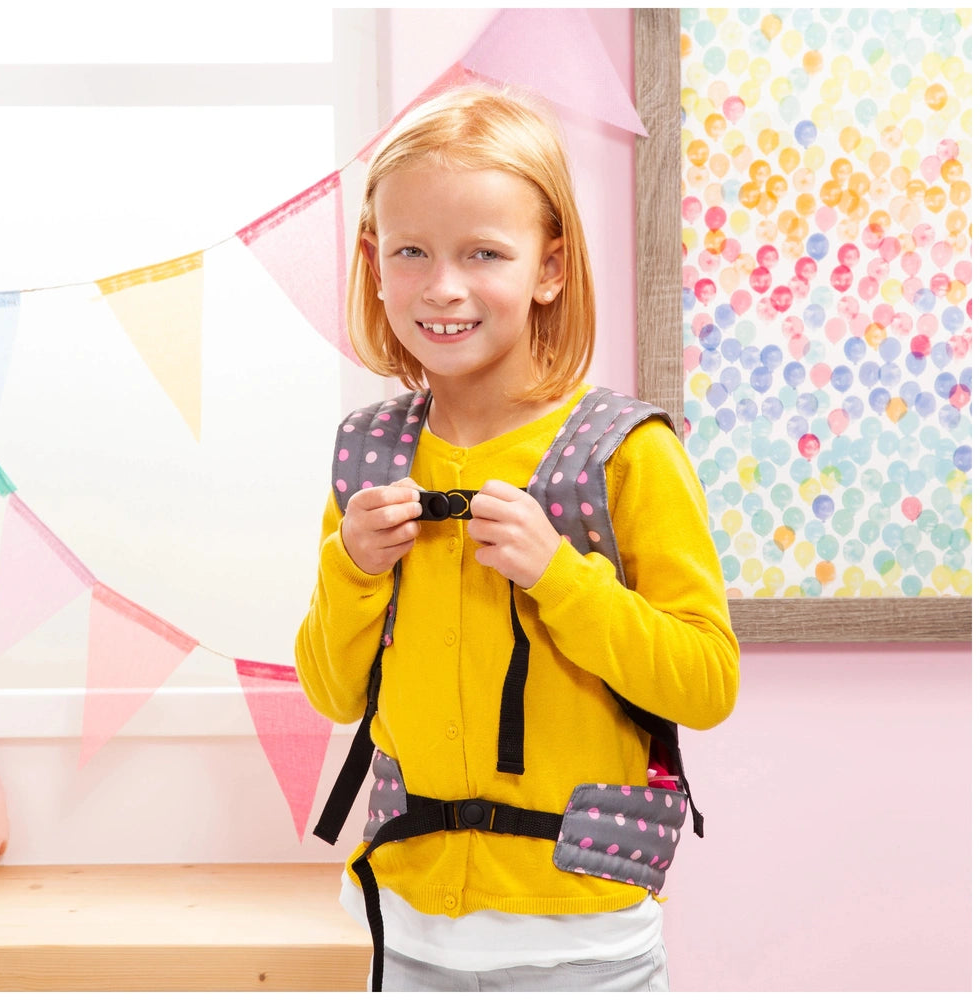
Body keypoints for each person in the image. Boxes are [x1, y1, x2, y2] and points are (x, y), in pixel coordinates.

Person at [295, 85, 739, 992]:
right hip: (406, 921)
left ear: (551, 268)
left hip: (583, 937)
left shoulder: (628, 453)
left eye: (484, 253)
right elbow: (334, 690)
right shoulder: (372, 452)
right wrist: (354, 568)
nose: (442, 286)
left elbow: (705, 682)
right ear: (375, 263)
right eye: (410, 251)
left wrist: (560, 578)